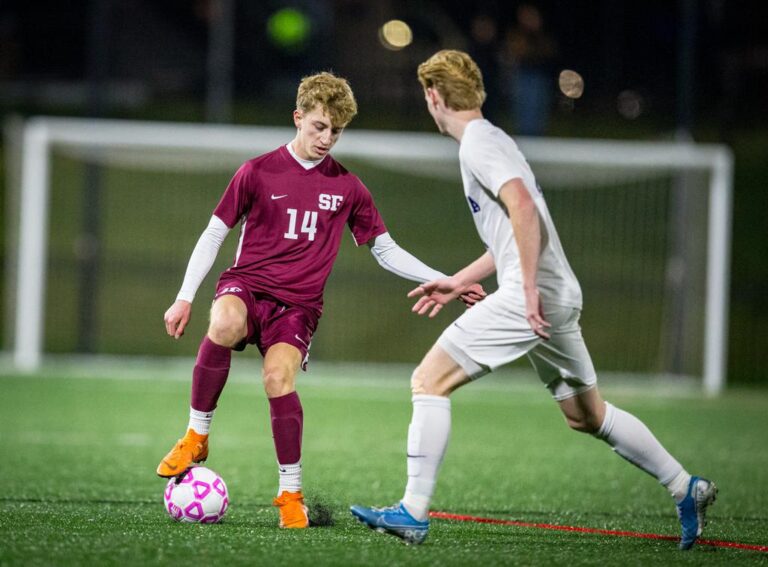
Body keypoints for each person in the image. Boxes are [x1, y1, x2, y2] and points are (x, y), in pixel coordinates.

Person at [350, 50, 717, 550]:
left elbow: (523, 208)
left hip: (534, 297)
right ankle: (684, 486)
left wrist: (524, 292)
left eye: (425, 96)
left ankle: (412, 512)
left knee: (428, 380)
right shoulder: (492, 140)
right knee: (587, 416)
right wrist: (459, 281)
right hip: (556, 294)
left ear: (433, 97)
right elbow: (511, 231)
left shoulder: (478, 143)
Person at [157, 71, 484, 529]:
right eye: (319, 127)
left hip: (298, 307)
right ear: (298, 118)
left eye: (336, 130)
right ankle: (196, 435)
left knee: (277, 378)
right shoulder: (256, 171)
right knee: (225, 321)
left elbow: (385, 250)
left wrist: (446, 280)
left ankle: (290, 495)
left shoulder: (348, 188)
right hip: (247, 286)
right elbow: (215, 233)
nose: (327, 138)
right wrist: (183, 297)